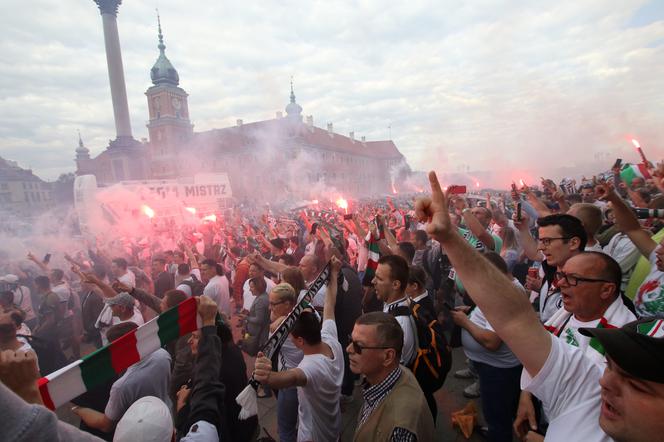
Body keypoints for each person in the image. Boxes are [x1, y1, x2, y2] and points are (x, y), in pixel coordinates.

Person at [416, 170, 664, 442]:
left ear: (606, 289)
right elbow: (516, 321)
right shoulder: (569, 320)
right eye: (561, 277)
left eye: (637, 385)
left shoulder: (617, 331)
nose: (605, 381)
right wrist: (527, 395)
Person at [254, 257, 345, 442]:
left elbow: (289, 378)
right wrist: (333, 274)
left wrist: (266, 376)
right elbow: (329, 303)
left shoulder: (310, 367)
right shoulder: (330, 337)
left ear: (300, 341)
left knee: (286, 429)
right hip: (332, 430)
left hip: (313, 436)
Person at [451, 252, 524, 442]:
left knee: (498, 415)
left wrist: (465, 322)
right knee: (497, 413)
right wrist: (472, 311)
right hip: (494, 368)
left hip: (499, 371)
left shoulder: (504, 294)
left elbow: (492, 341)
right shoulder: (502, 286)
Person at [72, 321, 172, 434]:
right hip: (165, 416)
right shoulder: (163, 354)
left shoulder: (122, 386)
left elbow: (106, 425)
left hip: (139, 431)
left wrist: (79, 410)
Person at [349, 312, 434, 441]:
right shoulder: (398, 372)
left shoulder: (399, 429)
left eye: (359, 346)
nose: (349, 349)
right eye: (351, 340)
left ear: (388, 356)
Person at [597, 183, 664, 317]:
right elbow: (632, 229)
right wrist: (614, 198)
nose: (658, 251)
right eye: (661, 245)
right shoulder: (658, 264)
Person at [516, 212, 587, 322]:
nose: (540, 247)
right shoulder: (551, 271)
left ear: (573, 243)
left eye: (547, 241)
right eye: (541, 241)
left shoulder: (587, 286)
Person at [268, 282, 304, 442]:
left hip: (289, 383)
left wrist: (280, 319)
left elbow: (268, 348)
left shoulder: (280, 328)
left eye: (273, 304)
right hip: (304, 377)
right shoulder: (305, 313)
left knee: (285, 429)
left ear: (288, 304)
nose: (270, 308)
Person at [373, 255, 416, 366]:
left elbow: (392, 367)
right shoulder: (392, 303)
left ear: (395, 284)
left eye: (379, 279)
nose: (373, 281)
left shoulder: (399, 323)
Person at [239, 277, 270, 357]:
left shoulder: (261, 300)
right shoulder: (263, 296)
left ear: (258, 287)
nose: (250, 290)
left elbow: (259, 320)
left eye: (252, 287)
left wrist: (246, 317)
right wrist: (248, 313)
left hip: (258, 333)